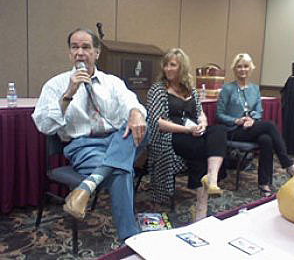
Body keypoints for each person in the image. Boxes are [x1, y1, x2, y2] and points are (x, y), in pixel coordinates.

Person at [32, 28, 147, 241]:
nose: (79, 52)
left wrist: (135, 113)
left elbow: (131, 102)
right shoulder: (55, 85)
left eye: (86, 47)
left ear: (97, 52)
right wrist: (68, 95)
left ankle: (88, 186)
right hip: (83, 146)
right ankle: (130, 240)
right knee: (122, 172)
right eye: (74, 47)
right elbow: (44, 125)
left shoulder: (113, 83)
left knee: (142, 122)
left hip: (116, 140)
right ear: (69, 53)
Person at [146, 48, 227, 221]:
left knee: (219, 130)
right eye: (166, 65)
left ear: (182, 67)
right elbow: (157, 122)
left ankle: (211, 179)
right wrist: (187, 130)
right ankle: (201, 206)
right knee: (201, 148)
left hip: (193, 132)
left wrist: (203, 123)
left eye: (172, 65)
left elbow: (200, 113)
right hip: (170, 136)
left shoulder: (191, 89)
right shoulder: (158, 89)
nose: (168, 69)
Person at [216, 53, 294, 197]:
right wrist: (236, 120)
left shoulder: (254, 89)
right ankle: (287, 164)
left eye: (246, 66)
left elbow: (258, 110)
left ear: (251, 68)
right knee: (270, 126)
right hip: (234, 130)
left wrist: (252, 119)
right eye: (239, 67)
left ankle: (263, 183)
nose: (243, 69)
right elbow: (220, 114)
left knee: (266, 140)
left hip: (250, 128)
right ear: (234, 69)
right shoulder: (227, 89)